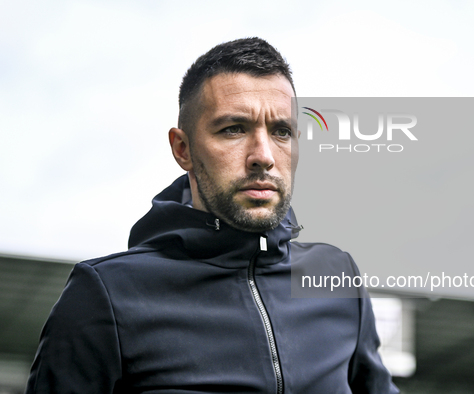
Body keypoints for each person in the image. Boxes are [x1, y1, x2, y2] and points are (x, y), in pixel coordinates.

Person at [26, 37, 399, 394]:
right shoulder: (106, 294)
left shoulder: (336, 276)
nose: (263, 155)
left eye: (282, 131)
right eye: (234, 129)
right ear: (183, 148)